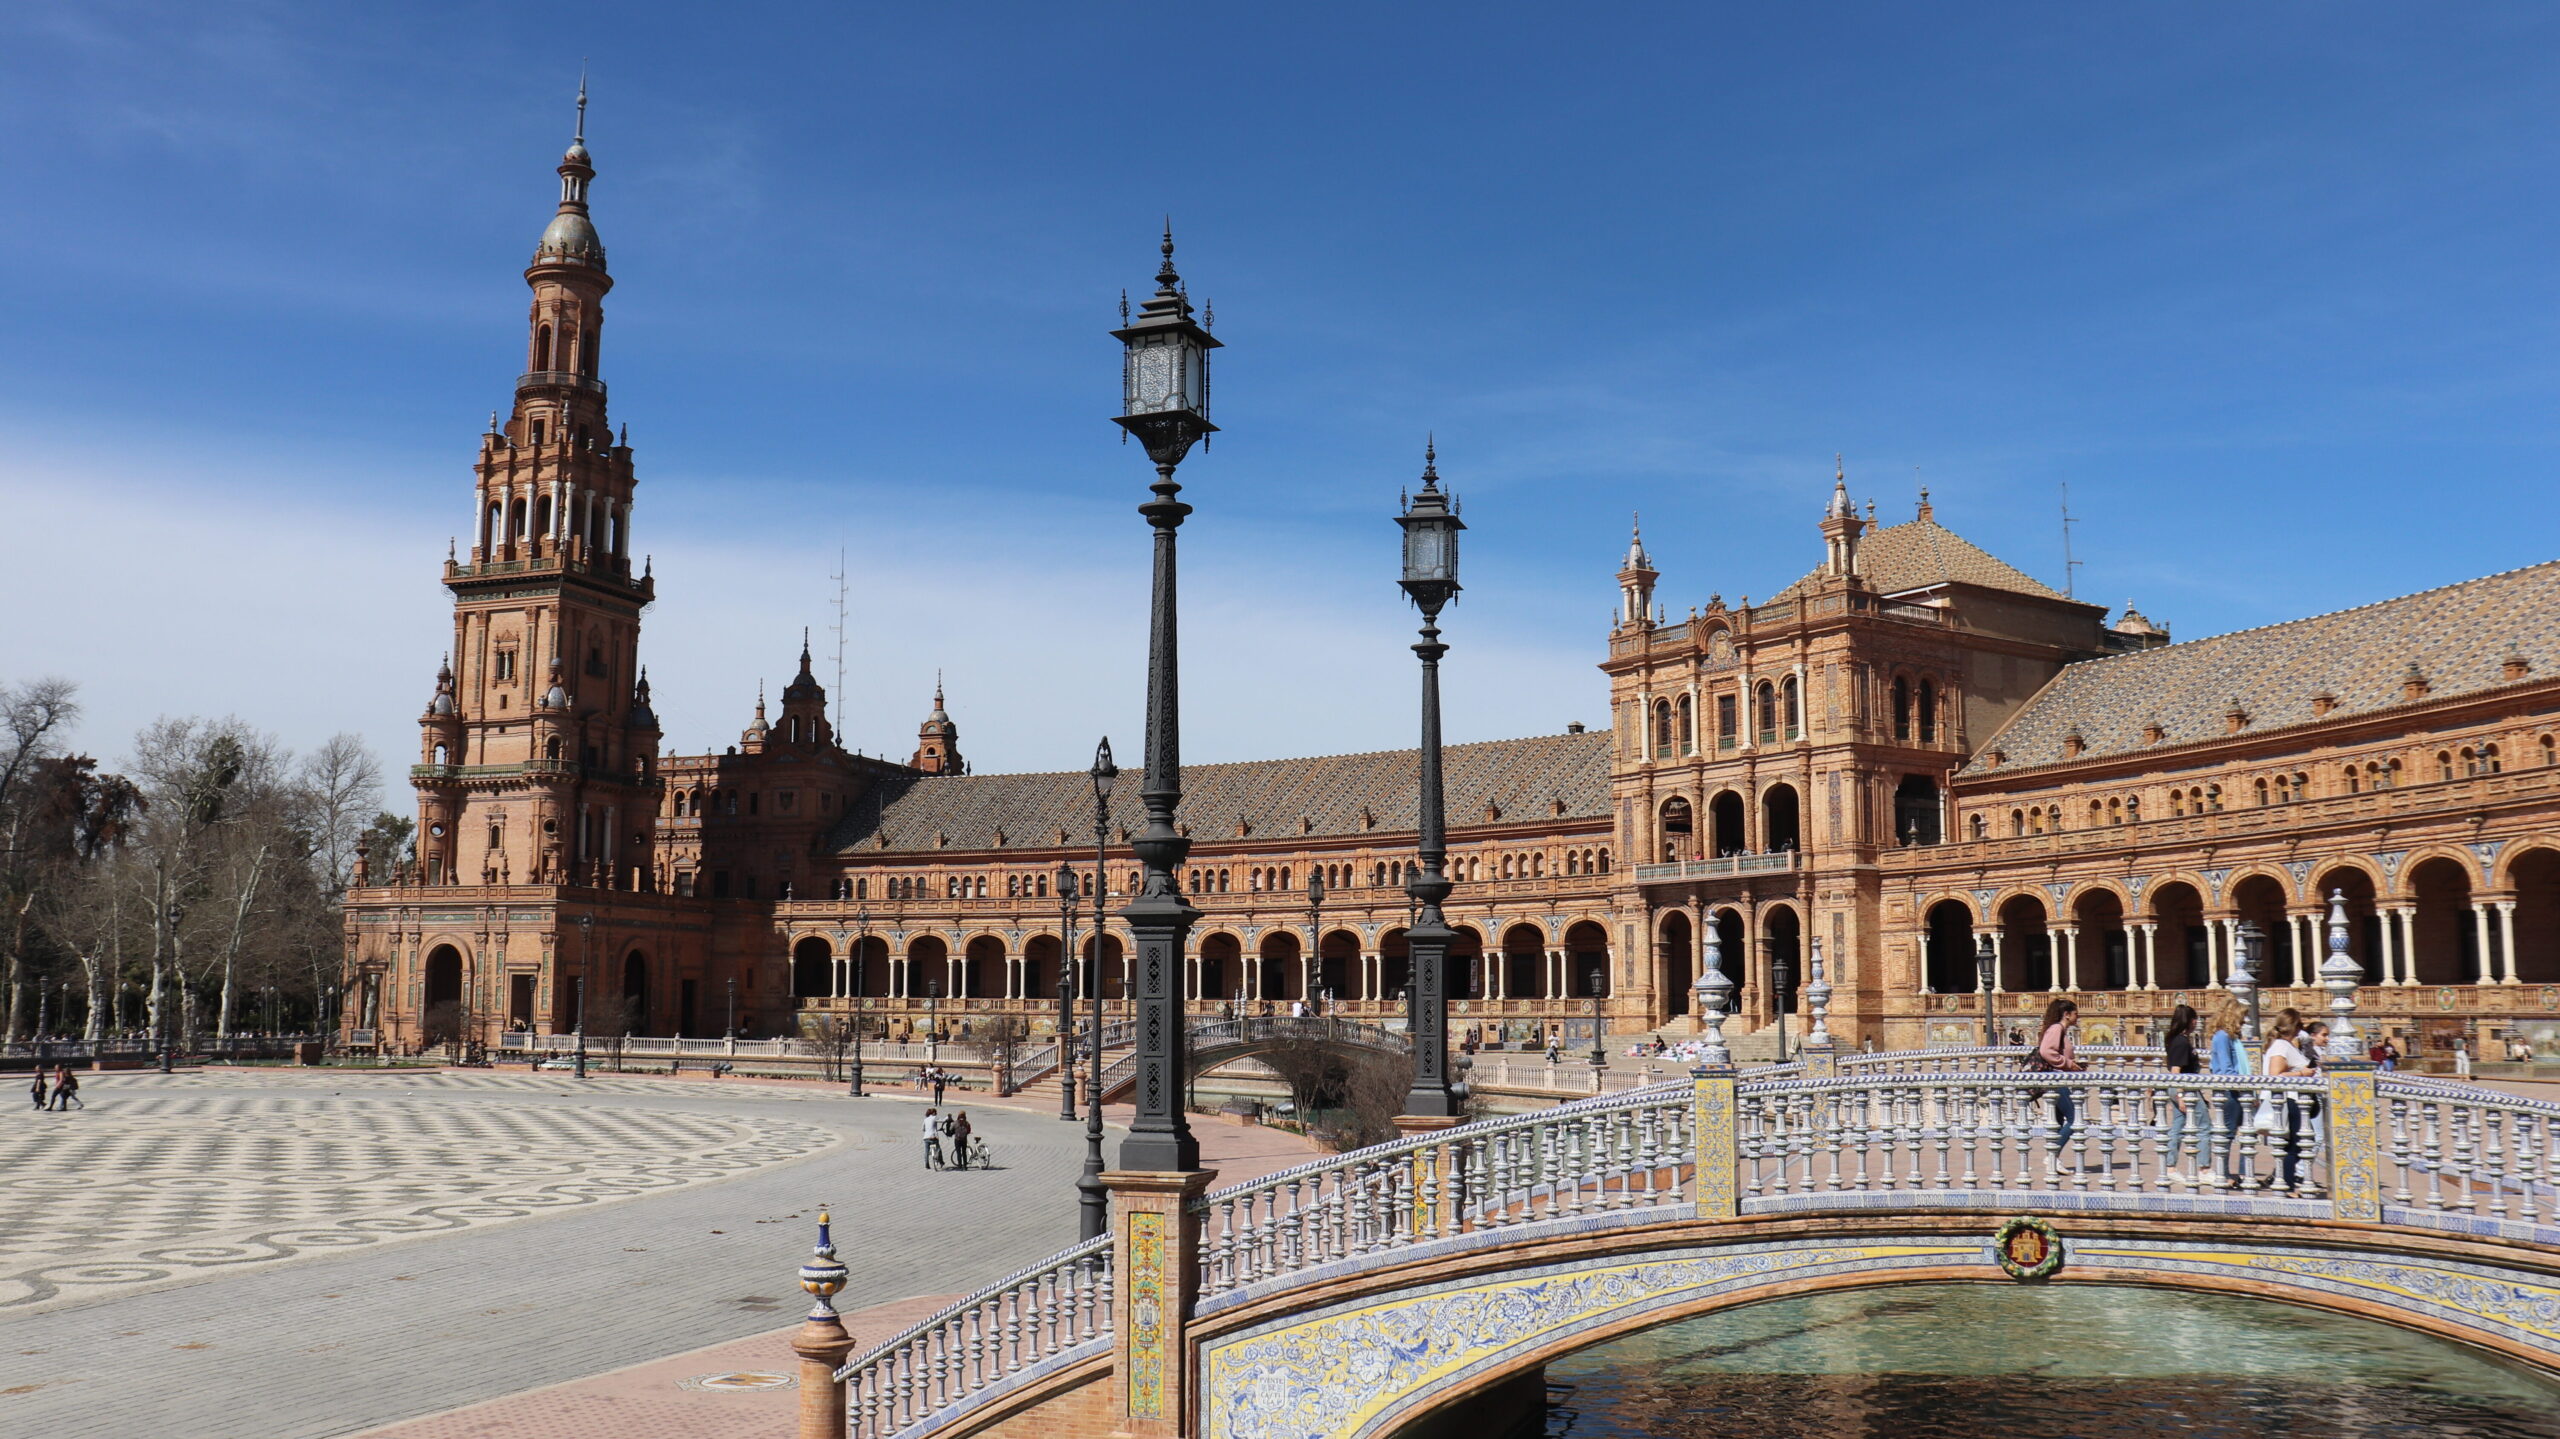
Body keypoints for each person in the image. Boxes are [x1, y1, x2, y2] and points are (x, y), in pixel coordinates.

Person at [2160, 1003, 2212, 1187]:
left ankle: (2170, 1168)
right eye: (2194, 1018)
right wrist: (2180, 1095)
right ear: (2188, 1021)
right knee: (2205, 1125)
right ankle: (2204, 1169)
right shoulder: (2181, 1042)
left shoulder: (2176, 1039)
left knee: (2178, 1127)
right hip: (2184, 1088)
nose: (2196, 1022)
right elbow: (2176, 1070)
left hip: (2180, 1088)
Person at [2261, 1009, 2313, 1191]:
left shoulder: (2285, 1045)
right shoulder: (2281, 1046)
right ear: (2293, 1026)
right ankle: (2287, 1184)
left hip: (2295, 1100)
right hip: (2288, 1100)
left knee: (2297, 1143)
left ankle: (2282, 1178)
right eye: (2300, 1025)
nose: (2301, 1029)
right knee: (2295, 1144)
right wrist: (2302, 1073)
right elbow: (2274, 1075)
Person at [2031, 999, 2084, 1177]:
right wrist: (2067, 1063)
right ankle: (2052, 1156)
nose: (2078, 1016)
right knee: (2075, 1119)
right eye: (2075, 1013)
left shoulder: (2060, 1030)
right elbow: (2047, 1051)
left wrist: (2073, 1065)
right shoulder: (2056, 1029)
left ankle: (2053, 1159)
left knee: (2059, 1123)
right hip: (2056, 1081)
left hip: (2058, 1079)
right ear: (2066, 1014)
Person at [2204, 993, 2246, 1189]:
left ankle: (2242, 1172)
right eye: (2242, 1016)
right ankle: (2223, 1172)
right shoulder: (2222, 1037)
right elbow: (2226, 1067)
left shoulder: (2230, 1037)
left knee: (2242, 1132)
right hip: (2229, 1091)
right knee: (2227, 1133)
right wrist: (2243, 1087)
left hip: (2235, 1089)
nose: (2244, 1021)